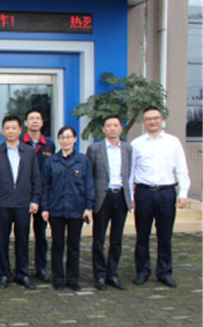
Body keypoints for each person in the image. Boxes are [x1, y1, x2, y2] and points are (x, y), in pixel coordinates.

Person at [130, 106, 190, 288]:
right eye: (148, 119)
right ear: (143, 122)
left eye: (155, 118)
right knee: (142, 235)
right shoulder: (136, 144)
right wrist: (131, 196)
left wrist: (183, 193)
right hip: (144, 193)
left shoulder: (173, 142)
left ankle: (164, 272)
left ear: (162, 119)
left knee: (165, 236)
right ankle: (142, 271)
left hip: (166, 193)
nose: (152, 121)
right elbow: (130, 172)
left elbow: (182, 168)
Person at [0, 115, 41, 290]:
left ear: (20, 130)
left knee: (23, 241)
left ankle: (22, 274)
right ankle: (3, 274)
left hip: (23, 203)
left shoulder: (29, 152)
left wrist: (35, 199)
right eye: (7, 128)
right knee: (2, 241)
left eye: (14, 128)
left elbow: (36, 177)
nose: (10, 131)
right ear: (3, 131)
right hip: (2, 204)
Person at [41, 126, 95, 291]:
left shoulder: (83, 160)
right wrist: (45, 208)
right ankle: (57, 279)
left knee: (74, 246)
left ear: (75, 139)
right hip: (56, 209)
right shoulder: (50, 161)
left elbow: (89, 185)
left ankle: (73, 279)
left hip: (76, 209)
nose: (65, 141)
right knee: (57, 246)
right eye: (62, 137)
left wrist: (89, 207)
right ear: (58, 140)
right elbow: (45, 187)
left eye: (68, 137)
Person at [86, 115, 132, 291]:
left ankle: (112, 274)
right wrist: (89, 202)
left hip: (120, 196)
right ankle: (99, 274)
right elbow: (89, 177)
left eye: (115, 125)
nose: (112, 128)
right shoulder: (94, 149)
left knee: (116, 239)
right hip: (102, 198)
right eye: (108, 126)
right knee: (98, 238)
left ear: (121, 128)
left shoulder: (127, 149)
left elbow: (129, 174)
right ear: (103, 129)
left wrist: (131, 197)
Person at [21, 108, 55, 282]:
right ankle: (22, 268)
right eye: (31, 118)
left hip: (42, 195)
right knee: (22, 234)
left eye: (38, 118)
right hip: (23, 194)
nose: (34, 121)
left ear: (42, 123)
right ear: (25, 123)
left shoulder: (49, 144)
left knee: (41, 234)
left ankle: (41, 268)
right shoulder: (19, 142)